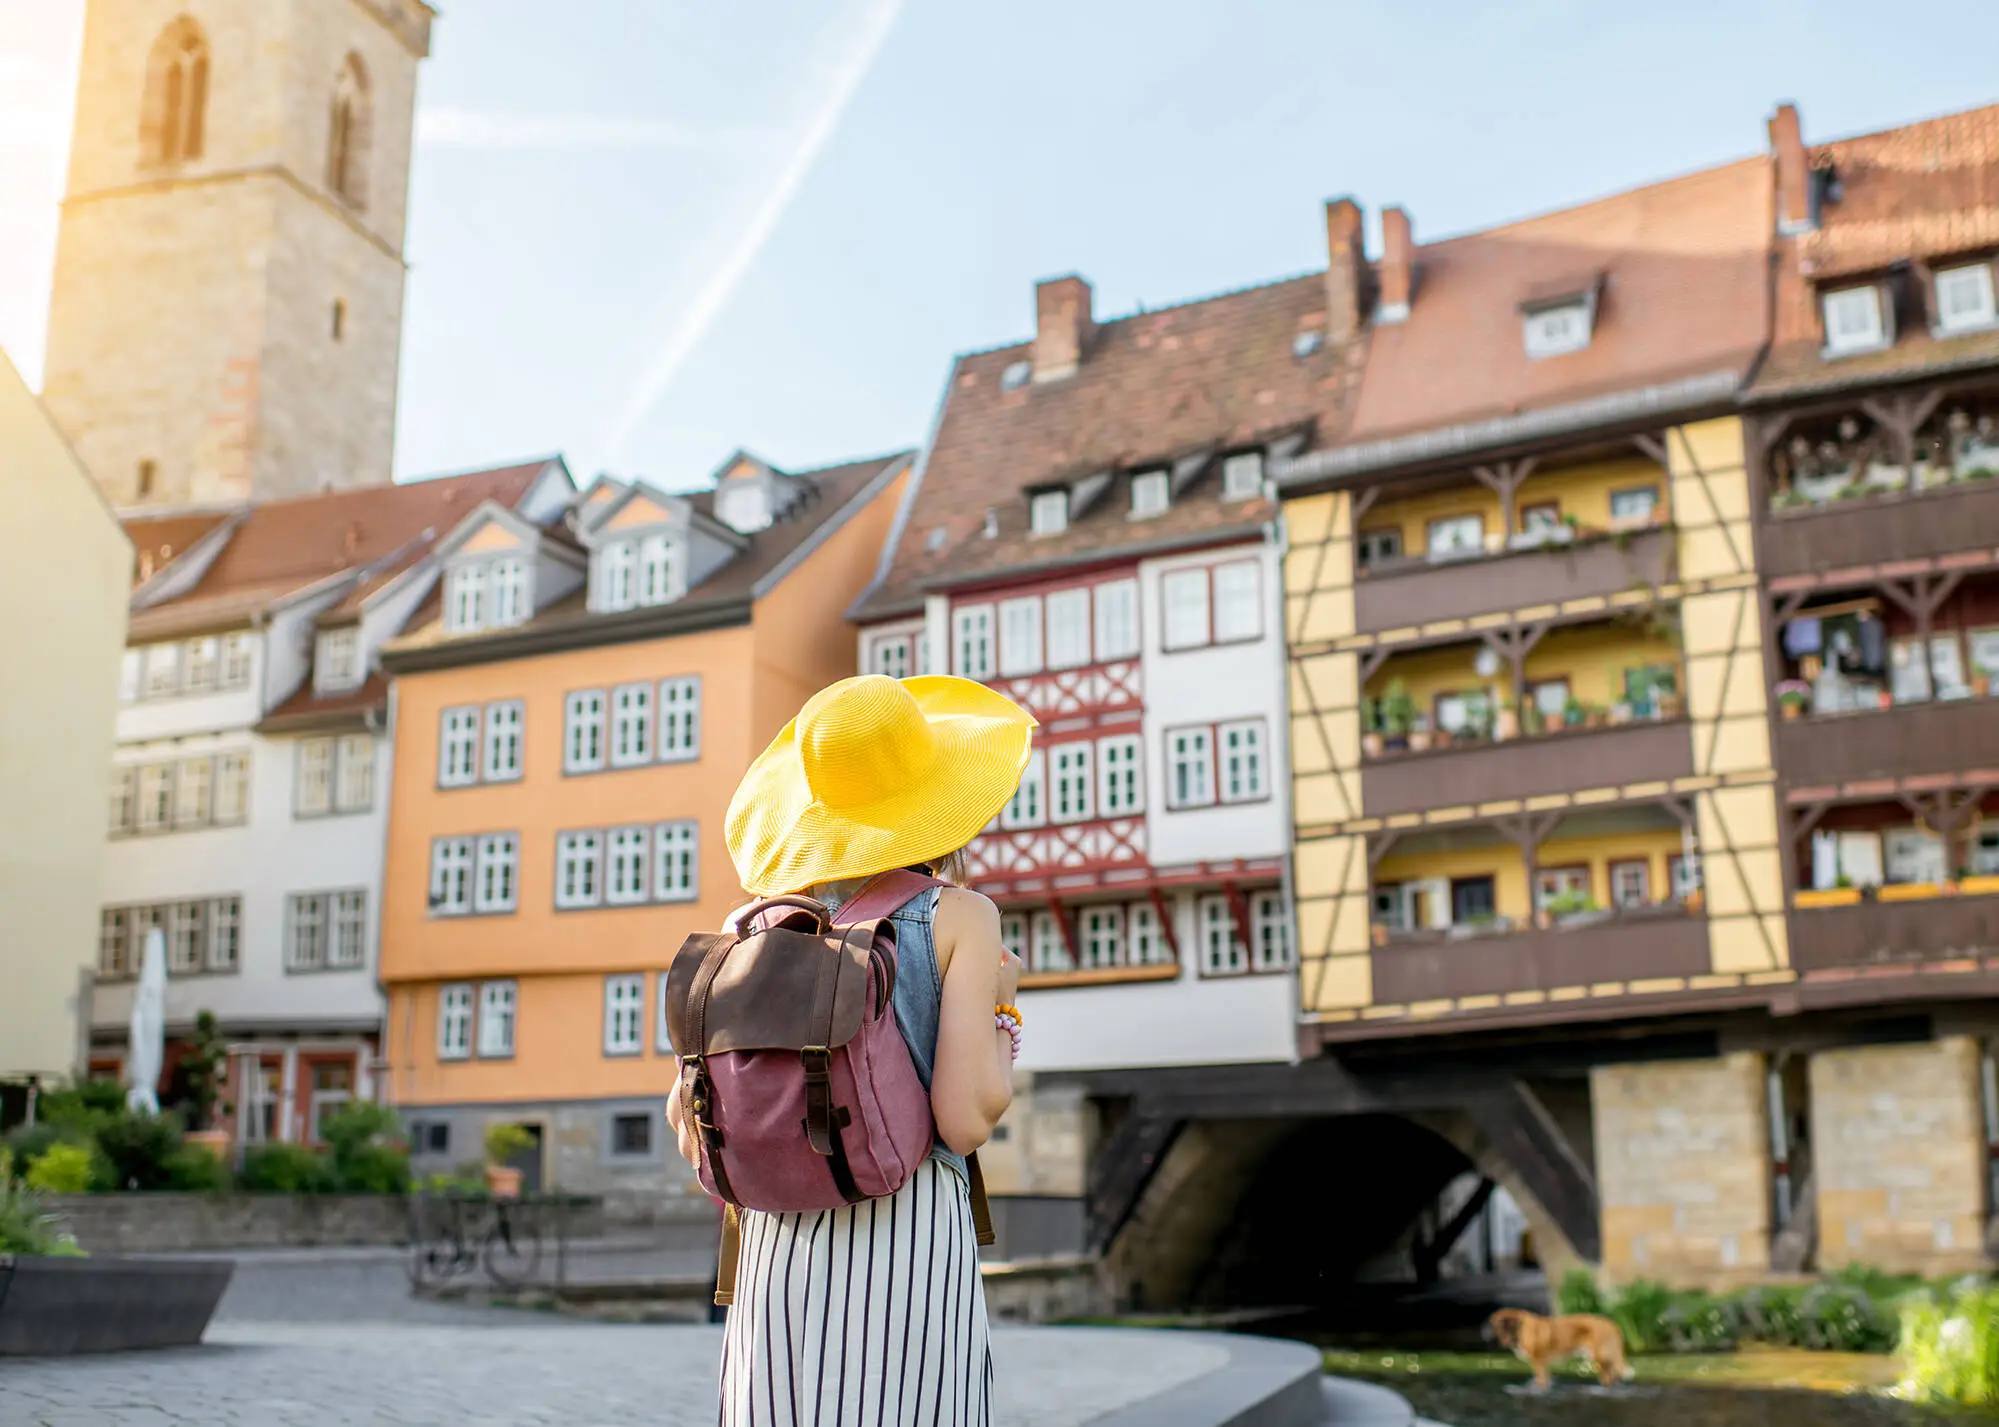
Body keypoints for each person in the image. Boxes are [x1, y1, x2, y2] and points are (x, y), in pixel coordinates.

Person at [667, 673, 1032, 1425]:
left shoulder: (751, 928)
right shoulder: (957, 916)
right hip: (902, 1235)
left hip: (772, 1245)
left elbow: (686, 1115)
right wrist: (1003, 1010)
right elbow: (964, 1117)